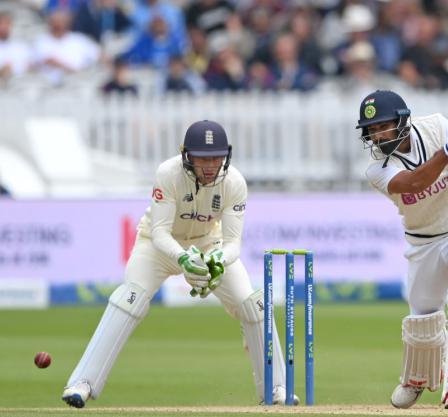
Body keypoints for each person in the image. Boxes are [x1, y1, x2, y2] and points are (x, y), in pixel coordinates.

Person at [62, 120, 296, 408]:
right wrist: (184, 258)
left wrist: (216, 259)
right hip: (157, 247)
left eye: (216, 157)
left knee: (252, 304)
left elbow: (234, 243)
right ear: (187, 156)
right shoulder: (168, 173)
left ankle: (276, 390)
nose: (210, 165)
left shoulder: (235, 182)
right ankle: (82, 383)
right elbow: (160, 232)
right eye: (202, 158)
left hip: (209, 244)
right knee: (129, 299)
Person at [355, 90, 448, 410]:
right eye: (372, 130)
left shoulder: (436, 126)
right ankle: (418, 376)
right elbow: (413, 183)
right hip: (423, 239)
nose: (378, 135)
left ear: (402, 121)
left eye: (384, 126)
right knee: (422, 319)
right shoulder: (376, 170)